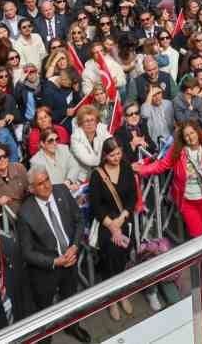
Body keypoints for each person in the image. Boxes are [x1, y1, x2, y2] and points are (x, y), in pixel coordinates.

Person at [15, 166, 91, 342]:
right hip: (46, 268)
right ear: (32, 188)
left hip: (70, 258)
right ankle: (45, 337)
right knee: (44, 308)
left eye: (47, 179)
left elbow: (79, 219)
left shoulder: (62, 191)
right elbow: (27, 253)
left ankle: (73, 326)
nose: (46, 185)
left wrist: (74, 246)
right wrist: (55, 261)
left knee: (70, 297)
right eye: (40, 184)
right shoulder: (25, 213)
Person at [87, 138, 139, 322]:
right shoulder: (97, 175)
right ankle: (112, 298)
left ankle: (122, 291)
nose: (116, 158)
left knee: (123, 249)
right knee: (111, 250)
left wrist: (122, 218)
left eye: (118, 153)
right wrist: (111, 225)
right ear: (105, 155)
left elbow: (133, 196)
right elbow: (95, 205)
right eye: (112, 155)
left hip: (122, 217)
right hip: (105, 222)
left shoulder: (126, 168)